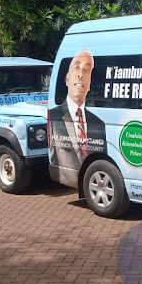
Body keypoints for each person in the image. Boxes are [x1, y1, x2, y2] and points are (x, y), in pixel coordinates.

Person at [49, 49, 106, 184]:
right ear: (67, 78)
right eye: (77, 68)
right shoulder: (54, 116)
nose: (81, 74)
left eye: (86, 70)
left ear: (90, 84)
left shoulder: (99, 123)